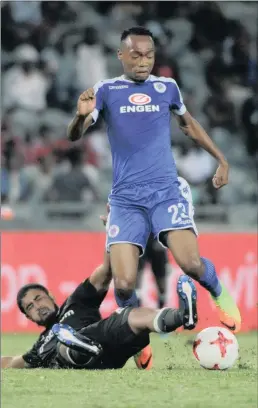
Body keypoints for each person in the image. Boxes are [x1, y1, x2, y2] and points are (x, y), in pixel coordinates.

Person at [67, 26, 241, 336]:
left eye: (149, 55)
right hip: (125, 199)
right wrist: (80, 117)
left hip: (165, 192)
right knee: (122, 283)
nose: (143, 62)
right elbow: (74, 136)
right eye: (135, 56)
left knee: (190, 264)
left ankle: (219, 294)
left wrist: (221, 159)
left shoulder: (167, 88)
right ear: (121, 55)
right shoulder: (106, 90)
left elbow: (189, 125)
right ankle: (138, 339)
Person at [1, 253, 198, 370]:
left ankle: (184, 315)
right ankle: (80, 347)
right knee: (62, 344)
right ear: (29, 318)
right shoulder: (39, 349)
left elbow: (105, 271)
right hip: (77, 358)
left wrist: (113, 233)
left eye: (38, 299)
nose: (38, 307)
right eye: (30, 308)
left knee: (132, 315)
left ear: (51, 296)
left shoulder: (76, 302)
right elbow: (10, 362)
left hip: (106, 344)